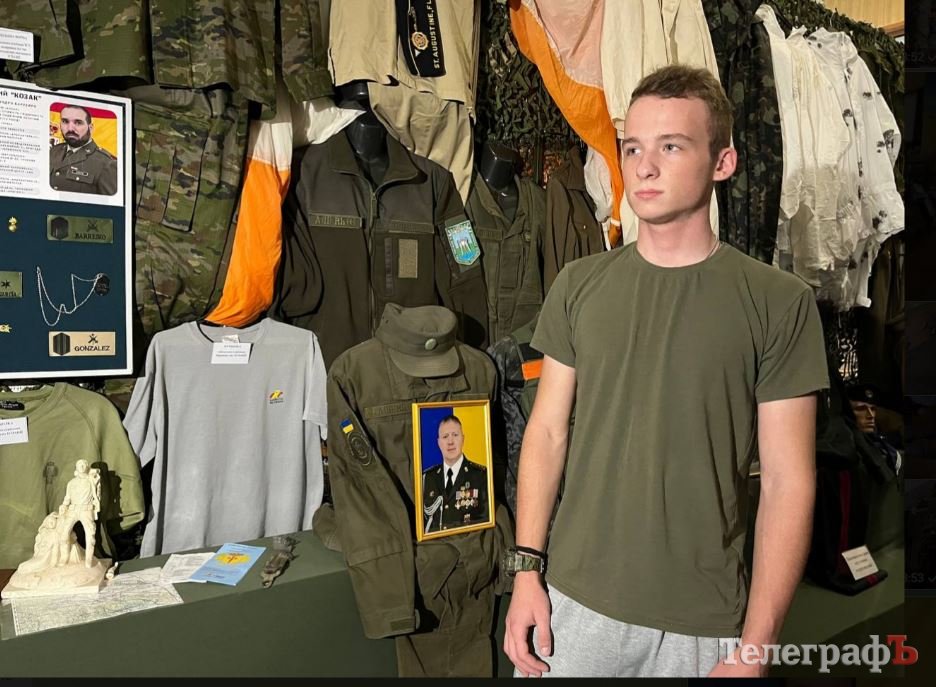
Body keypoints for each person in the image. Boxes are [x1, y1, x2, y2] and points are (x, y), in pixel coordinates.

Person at [503, 64, 829, 678]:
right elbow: (545, 434)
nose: (644, 167)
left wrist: (756, 647)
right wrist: (526, 571)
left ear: (723, 162)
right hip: (572, 606)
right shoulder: (578, 284)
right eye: (633, 148)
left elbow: (788, 482)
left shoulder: (777, 302)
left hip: (701, 622)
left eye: (671, 147)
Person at [422, 415, 489, 534]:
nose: (450, 442)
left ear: (463, 439)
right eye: (445, 436)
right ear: (439, 443)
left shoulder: (481, 476)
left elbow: (486, 521)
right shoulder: (427, 478)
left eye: (455, 435)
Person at [49, 104, 118, 195]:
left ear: (91, 128)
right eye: (65, 121)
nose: (70, 128)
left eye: (78, 122)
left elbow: (110, 202)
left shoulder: (107, 164)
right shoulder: (53, 151)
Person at [846, 383, 902, 475]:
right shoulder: (846, 448)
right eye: (861, 409)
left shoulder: (883, 443)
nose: (871, 415)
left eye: (873, 409)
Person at [58, 459, 102, 568]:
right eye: (79, 465)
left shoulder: (92, 481)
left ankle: (88, 560)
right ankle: (64, 558)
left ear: (87, 467)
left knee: (90, 536)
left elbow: (98, 491)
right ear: (76, 467)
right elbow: (67, 498)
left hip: (86, 510)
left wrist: (96, 479)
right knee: (64, 534)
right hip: (73, 510)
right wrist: (64, 505)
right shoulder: (71, 483)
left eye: (83, 464)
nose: (81, 466)